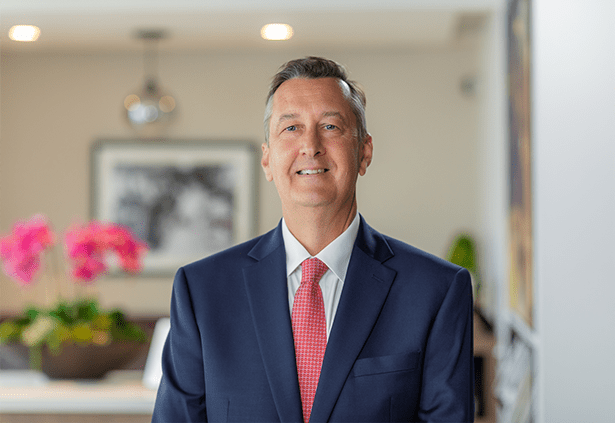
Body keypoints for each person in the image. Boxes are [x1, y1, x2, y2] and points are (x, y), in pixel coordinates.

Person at [152, 56, 474, 423]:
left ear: (364, 152)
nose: (311, 145)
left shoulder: (436, 290)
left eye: (331, 126)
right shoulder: (202, 290)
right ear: (267, 159)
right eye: (290, 128)